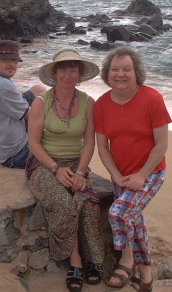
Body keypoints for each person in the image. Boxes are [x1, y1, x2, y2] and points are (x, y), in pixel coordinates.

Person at [25, 47, 104, 292]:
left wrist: (80, 172)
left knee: (88, 203)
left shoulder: (88, 102)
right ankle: (75, 261)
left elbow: (89, 142)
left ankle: (97, 261)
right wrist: (56, 168)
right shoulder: (41, 102)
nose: (68, 75)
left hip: (75, 163)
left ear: (80, 75)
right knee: (64, 202)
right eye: (63, 69)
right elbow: (33, 143)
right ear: (55, 73)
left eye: (73, 70)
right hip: (44, 163)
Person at [94, 47, 172, 292]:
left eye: (126, 69)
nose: (120, 74)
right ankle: (146, 277)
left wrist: (142, 175)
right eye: (115, 69)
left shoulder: (152, 98)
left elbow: (161, 145)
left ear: (136, 72)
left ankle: (126, 261)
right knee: (134, 220)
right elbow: (103, 147)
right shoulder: (102, 104)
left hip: (151, 173)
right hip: (121, 176)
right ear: (107, 74)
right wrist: (116, 176)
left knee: (119, 214)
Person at [0, 40, 46, 168]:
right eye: (6, 61)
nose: (12, 64)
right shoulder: (3, 86)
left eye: (14, 61)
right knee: (59, 146)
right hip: (14, 154)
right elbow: (32, 116)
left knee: (38, 89)